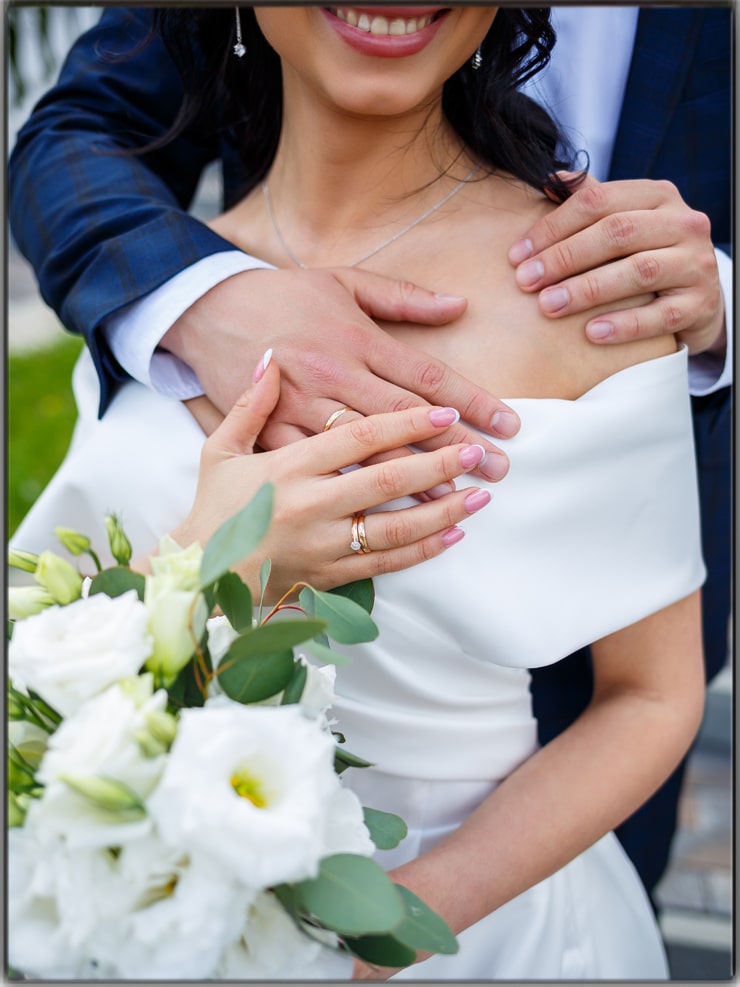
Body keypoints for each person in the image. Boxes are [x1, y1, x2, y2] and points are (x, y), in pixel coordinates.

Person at [9, 7, 707, 979]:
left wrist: (368, 941)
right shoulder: (154, 298)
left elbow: (650, 695)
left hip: (476, 937)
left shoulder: (588, 295)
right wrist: (223, 568)